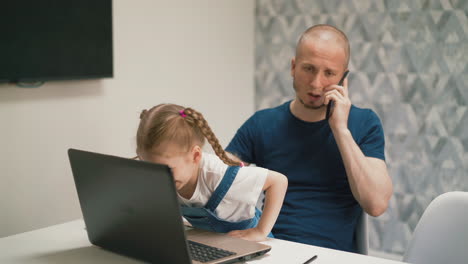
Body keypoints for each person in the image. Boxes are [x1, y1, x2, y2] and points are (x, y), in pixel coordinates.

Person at [226, 24, 393, 252]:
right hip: (269, 248)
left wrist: (340, 129)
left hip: (329, 254)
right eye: (308, 69)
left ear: (344, 78)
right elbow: (219, 178)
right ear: (293, 67)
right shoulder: (262, 123)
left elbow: (376, 204)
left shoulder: (364, 123)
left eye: (329, 73)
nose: (316, 84)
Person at [135, 103, 288, 242]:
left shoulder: (220, 175)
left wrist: (260, 231)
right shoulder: (173, 172)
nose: (158, 178)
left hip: (252, 244)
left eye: (166, 170)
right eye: (149, 167)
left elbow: (278, 181)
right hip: (215, 242)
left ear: (195, 156)